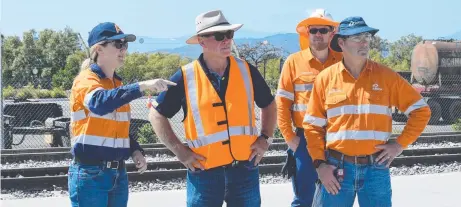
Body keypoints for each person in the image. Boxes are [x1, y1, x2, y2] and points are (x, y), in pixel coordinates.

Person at [148, 10, 277, 207]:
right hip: (204, 173)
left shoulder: (247, 70)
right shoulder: (185, 76)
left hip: (245, 169)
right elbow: (156, 115)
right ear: (201, 41)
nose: (226, 40)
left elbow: (269, 104)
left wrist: (265, 138)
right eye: (219, 36)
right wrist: (180, 151)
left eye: (229, 34)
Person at [303, 16, 431, 207]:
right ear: (341, 42)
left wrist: (399, 145)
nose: (364, 42)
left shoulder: (387, 77)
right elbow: (312, 126)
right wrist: (320, 165)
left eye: (366, 37)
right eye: (357, 37)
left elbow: (421, 111)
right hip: (336, 170)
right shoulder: (325, 79)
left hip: (376, 170)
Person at [68, 22, 175, 207]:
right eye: (118, 44)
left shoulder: (117, 84)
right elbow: (99, 103)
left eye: (125, 44)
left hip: (118, 173)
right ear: (99, 49)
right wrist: (142, 86)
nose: (123, 49)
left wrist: (134, 150)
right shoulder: (86, 80)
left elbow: (117, 128)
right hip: (90, 174)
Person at [277, 8, 341, 207]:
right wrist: (290, 138)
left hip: (337, 138)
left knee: (335, 196)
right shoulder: (293, 62)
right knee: (304, 197)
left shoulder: (343, 61)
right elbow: (282, 103)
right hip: (304, 139)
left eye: (324, 30)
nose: (318, 34)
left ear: (332, 33)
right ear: (307, 33)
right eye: (314, 30)